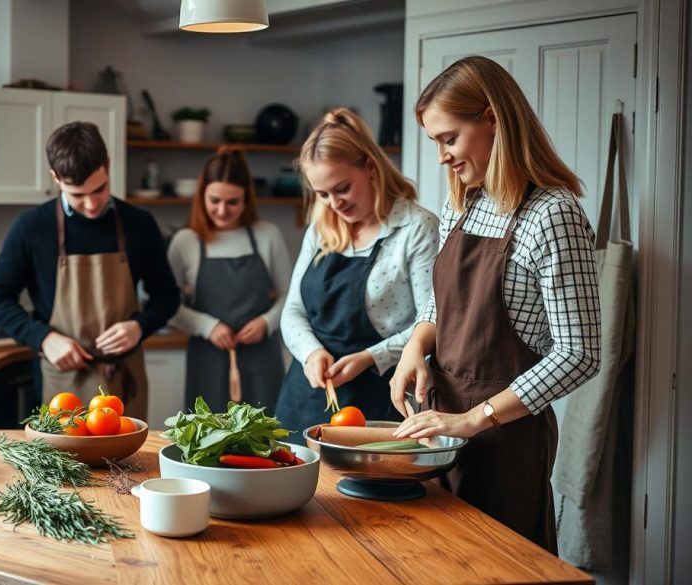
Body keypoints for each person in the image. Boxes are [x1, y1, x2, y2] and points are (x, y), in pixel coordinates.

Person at [390, 55, 601, 553]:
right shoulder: (463, 201)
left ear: (492, 119)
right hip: (437, 428)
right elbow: (440, 304)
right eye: (435, 142)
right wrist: (413, 348)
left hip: (504, 441)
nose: (442, 157)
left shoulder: (553, 214)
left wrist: (473, 420)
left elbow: (580, 353)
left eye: (449, 138)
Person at [0, 121, 180, 420]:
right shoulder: (32, 226)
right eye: (77, 194)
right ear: (56, 177)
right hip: (63, 381)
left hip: (123, 380)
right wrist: (43, 337)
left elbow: (167, 296)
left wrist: (140, 326)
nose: (90, 205)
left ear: (108, 166)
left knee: (128, 465)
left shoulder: (139, 224)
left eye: (99, 189)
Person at [275, 108, 439, 439]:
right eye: (322, 194)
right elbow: (292, 310)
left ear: (370, 167)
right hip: (305, 391)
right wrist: (311, 352)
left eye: (342, 188)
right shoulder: (320, 228)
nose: (333, 203)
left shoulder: (416, 227)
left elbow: (432, 321)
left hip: (379, 394)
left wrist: (370, 357)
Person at [167, 147, 293, 413]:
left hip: (261, 358)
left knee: (265, 439)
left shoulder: (267, 235)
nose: (222, 210)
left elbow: (290, 295)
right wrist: (207, 326)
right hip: (207, 359)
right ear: (202, 196)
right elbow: (167, 305)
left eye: (232, 202)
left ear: (247, 199)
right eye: (214, 200)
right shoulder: (185, 241)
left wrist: (266, 322)